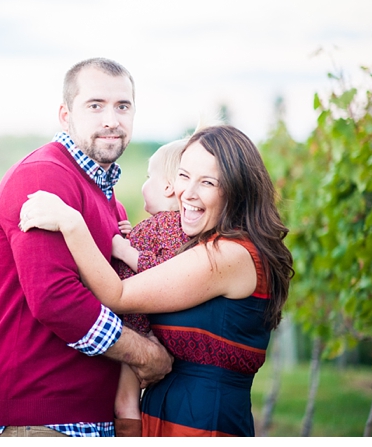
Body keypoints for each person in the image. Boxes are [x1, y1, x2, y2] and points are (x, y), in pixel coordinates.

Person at [19, 124, 294, 437]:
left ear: (237, 189)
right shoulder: (205, 244)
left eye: (207, 182)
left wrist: (71, 223)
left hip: (202, 426)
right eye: (183, 175)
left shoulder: (230, 254)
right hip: (166, 419)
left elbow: (118, 294)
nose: (186, 193)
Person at [0, 57, 174, 438]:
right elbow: (56, 299)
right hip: (42, 418)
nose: (111, 120)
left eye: (123, 106)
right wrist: (145, 353)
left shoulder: (110, 201)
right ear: (65, 115)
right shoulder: (44, 176)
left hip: (91, 419)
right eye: (95, 105)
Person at [111, 137, 190, 436]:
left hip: (136, 324)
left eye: (148, 177)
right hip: (145, 323)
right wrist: (134, 235)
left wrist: (123, 249)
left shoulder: (170, 225)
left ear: (168, 187)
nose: (145, 184)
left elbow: (163, 272)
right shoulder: (167, 226)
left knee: (125, 401)